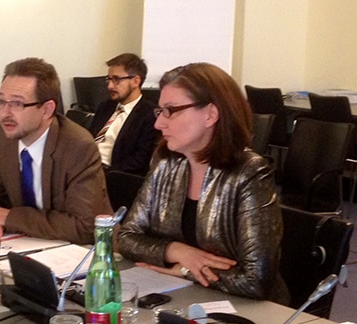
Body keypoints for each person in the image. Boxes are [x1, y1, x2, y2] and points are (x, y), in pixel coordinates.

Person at [118, 62, 289, 303]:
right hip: (183, 298)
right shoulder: (166, 161)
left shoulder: (249, 172)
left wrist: (186, 272)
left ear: (210, 114)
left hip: (246, 310)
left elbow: (256, 280)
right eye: (160, 111)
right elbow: (127, 237)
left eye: (170, 110)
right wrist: (176, 251)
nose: (159, 123)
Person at [0, 57, 112, 245]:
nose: (5, 114)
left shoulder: (78, 147)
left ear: (47, 110)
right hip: (21, 245)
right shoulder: (3, 137)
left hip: (78, 254)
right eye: (2, 102)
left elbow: (85, 227)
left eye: (17, 104)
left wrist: (9, 217)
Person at [89, 53, 160, 176]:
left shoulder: (149, 115)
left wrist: (106, 172)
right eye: (109, 79)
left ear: (135, 81)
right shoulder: (105, 107)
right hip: (87, 167)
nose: (110, 86)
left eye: (116, 79)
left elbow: (140, 160)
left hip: (112, 175)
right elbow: (88, 139)